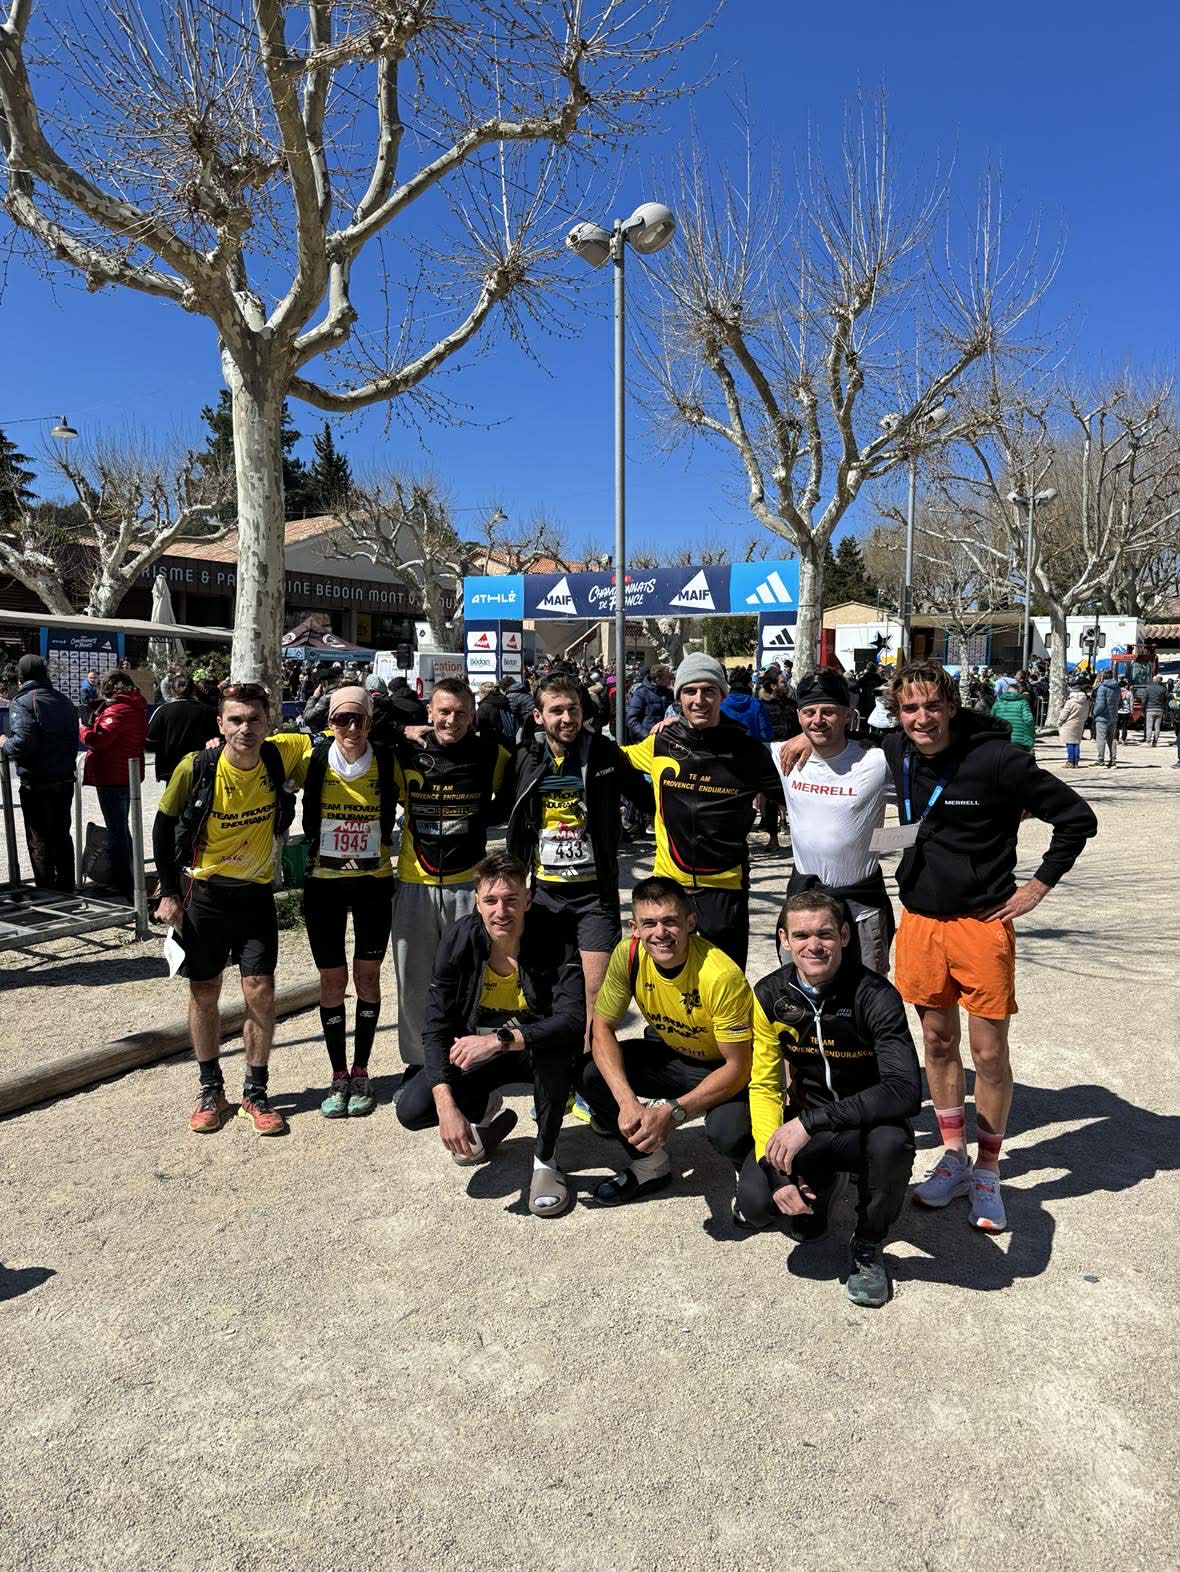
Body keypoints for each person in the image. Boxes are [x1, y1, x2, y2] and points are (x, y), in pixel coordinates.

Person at [883, 661, 1096, 1231]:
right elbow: (836, 735)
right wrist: (804, 737)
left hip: (981, 924)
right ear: (897, 713)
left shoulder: (998, 759)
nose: (921, 718)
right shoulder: (897, 749)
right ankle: (953, 1157)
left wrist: (1037, 887)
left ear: (951, 706)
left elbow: (1077, 819)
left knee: (989, 1054)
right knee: (937, 1042)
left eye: (932, 705)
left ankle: (987, 1169)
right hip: (920, 921)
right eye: (910, 708)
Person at [740, 890, 921, 1308]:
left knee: (893, 1145)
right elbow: (764, 1086)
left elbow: (904, 1089)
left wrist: (809, 1123)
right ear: (784, 940)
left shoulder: (875, 995)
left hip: (865, 1126)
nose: (814, 946)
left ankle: (868, 1243)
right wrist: (774, 1169)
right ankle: (824, 1183)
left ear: (843, 935)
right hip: (810, 1127)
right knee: (758, 1203)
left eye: (824, 933)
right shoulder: (769, 994)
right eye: (801, 935)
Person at [153, 682, 305, 1137]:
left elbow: (339, 736)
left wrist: (407, 728)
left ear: (269, 723)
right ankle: (210, 1089)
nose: (245, 728)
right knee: (205, 991)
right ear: (220, 724)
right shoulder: (196, 767)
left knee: (261, 991)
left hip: (255, 894)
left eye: (254, 719)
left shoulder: (281, 754)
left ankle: (255, 1093)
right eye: (235, 720)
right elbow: (162, 826)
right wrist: (168, 892)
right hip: (204, 894)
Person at [396, 852, 585, 1217]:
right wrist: (447, 1105)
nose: (501, 911)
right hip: (482, 1054)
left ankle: (545, 1160)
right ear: (477, 902)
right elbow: (435, 1025)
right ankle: (484, 1110)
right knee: (412, 1109)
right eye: (491, 900)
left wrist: (499, 1040)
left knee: (553, 1051)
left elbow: (573, 1020)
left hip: (531, 1049)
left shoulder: (556, 934)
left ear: (527, 899)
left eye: (511, 899)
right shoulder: (459, 939)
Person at [579, 876, 754, 1208]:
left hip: (722, 1068)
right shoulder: (628, 954)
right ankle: (651, 1166)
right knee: (589, 1072)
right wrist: (627, 1102)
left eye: (670, 921)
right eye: (649, 923)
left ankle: (749, 1167)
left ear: (690, 922)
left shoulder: (720, 976)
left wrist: (673, 1112)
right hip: (674, 1056)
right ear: (634, 928)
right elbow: (601, 1028)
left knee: (728, 1133)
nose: (660, 933)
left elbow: (739, 1067)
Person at [506, 673, 654, 1040]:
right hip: (544, 893)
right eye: (556, 711)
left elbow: (648, 798)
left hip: (594, 895)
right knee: (542, 990)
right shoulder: (525, 756)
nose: (567, 719)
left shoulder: (603, 751)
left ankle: (590, 1068)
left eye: (573, 709)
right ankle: (555, 1065)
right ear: (538, 716)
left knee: (597, 994)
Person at [622, 654, 783, 968]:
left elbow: (794, 793)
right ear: (679, 697)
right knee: (669, 982)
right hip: (669, 888)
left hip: (724, 889)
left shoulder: (748, 751)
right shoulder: (661, 742)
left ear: (722, 695)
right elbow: (612, 759)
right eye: (690, 691)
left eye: (709, 691)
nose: (699, 700)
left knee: (725, 983)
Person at [390, 678, 514, 1082]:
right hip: (416, 878)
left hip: (468, 882)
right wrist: (399, 729)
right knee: (414, 980)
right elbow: (359, 731)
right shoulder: (407, 750)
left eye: (461, 713)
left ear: (472, 715)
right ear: (429, 712)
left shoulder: (491, 753)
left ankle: (467, 1057)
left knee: (469, 978)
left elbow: (514, 790)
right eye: (443, 711)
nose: (451, 720)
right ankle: (419, 1063)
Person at [301, 686, 399, 1118]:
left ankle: (361, 1071)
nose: (352, 728)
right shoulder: (313, 756)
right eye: (342, 719)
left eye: (359, 719)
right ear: (330, 723)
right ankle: (338, 1073)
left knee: (368, 978)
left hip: (372, 883)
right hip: (324, 884)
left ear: (370, 722)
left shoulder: (388, 759)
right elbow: (258, 748)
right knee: (332, 981)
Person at [773, 669, 892, 974]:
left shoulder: (876, 760)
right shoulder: (783, 755)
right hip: (804, 909)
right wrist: (670, 727)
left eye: (828, 712)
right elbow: (724, 744)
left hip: (861, 907)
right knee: (801, 992)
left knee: (868, 994)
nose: (818, 720)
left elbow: (931, 744)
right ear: (799, 717)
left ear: (848, 715)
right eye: (809, 713)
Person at [1, 653, 78, 892]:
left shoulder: (23, 702)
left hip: (37, 780)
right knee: (62, 834)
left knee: (40, 838)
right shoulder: (64, 700)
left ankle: (47, 892)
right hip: (65, 778)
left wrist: (4, 743)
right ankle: (66, 887)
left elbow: (24, 741)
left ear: (21, 677)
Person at [79, 669, 148, 900]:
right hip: (123, 774)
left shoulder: (119, 710)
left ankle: (123, 881)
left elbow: (98, 741)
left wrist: (82, 730)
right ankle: (129, 876)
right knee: (121, 828)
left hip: (112, 776)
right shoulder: (134, 706)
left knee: (117, 830)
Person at [145, 671, 220, 782]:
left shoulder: (162, 711)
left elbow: (150, 742)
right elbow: (218, 738)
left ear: (172, 690)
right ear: (194, 690)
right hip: (201, 767)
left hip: (171, 769)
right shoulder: (209, 711)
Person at [721, 666, 773, 741]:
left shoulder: (721, 704)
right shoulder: (756, 704)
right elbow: (766, 734)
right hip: (753, 747)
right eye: (751, 683)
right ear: (749, 684)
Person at [988, 682, 1036, 751]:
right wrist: (1031, 736)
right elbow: (1029, 720)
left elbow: (991, 721)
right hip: (1020, 740)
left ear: (1007, 691)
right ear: (1018, 691)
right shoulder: (1023, 703)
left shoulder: (998, 703)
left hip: (1002, 739)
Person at [1091, 670, 1121, 767]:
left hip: (1102, 717)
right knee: (1111, 739)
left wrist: (1094, 713)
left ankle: (1100, 760)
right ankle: (1113, 760)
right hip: (1113, 716)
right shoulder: (1117, 687)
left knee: (1101, 738)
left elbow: (1100, 704)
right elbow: (1120, 703)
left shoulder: (1102, 687)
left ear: (1103, 677)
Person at [1057, 678, 1089, 768]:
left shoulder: (1070, 702)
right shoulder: (1086, 702)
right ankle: (1076, 761)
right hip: (1080, 723)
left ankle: (1070, 761)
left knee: (1070, 743)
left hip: (1069, 724)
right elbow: (1087, 713)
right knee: (1076, 743)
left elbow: (1064, 714)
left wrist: (1059, 722)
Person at [1138, 674, 1168, 747]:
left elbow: (1144, 700)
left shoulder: (1148, 688)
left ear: (1153, 680)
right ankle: (1155, 742)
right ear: (1159, 680)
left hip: (1150, 709)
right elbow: (1167, 698)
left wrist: (1142, 710)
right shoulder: (1163, 689)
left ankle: (1148, 742)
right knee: (1157, 727)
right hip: (1160, 709)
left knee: (1149, 726)